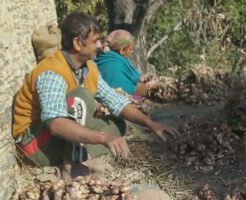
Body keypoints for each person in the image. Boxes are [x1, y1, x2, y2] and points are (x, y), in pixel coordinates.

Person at [12, 12, 177, 176]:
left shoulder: (89, 68)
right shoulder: (52, 72)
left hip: (57, 138)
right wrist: (103, 138)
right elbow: (55, 124)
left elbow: (116, 101)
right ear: (77, 43)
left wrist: (150, 124)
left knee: (118, 124)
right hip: (36, 145)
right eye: (95, 41)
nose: (100, 45)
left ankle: (80, 154)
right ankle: (72, 166)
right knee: (81, 98)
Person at [95, 29, 157, 102]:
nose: (132, 51)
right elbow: (127, 93)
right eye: (131, 49)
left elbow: (136, 78)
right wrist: (150, 87)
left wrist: (145, 79)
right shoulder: (113, 64)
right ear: (122, 49)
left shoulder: (114, 58)